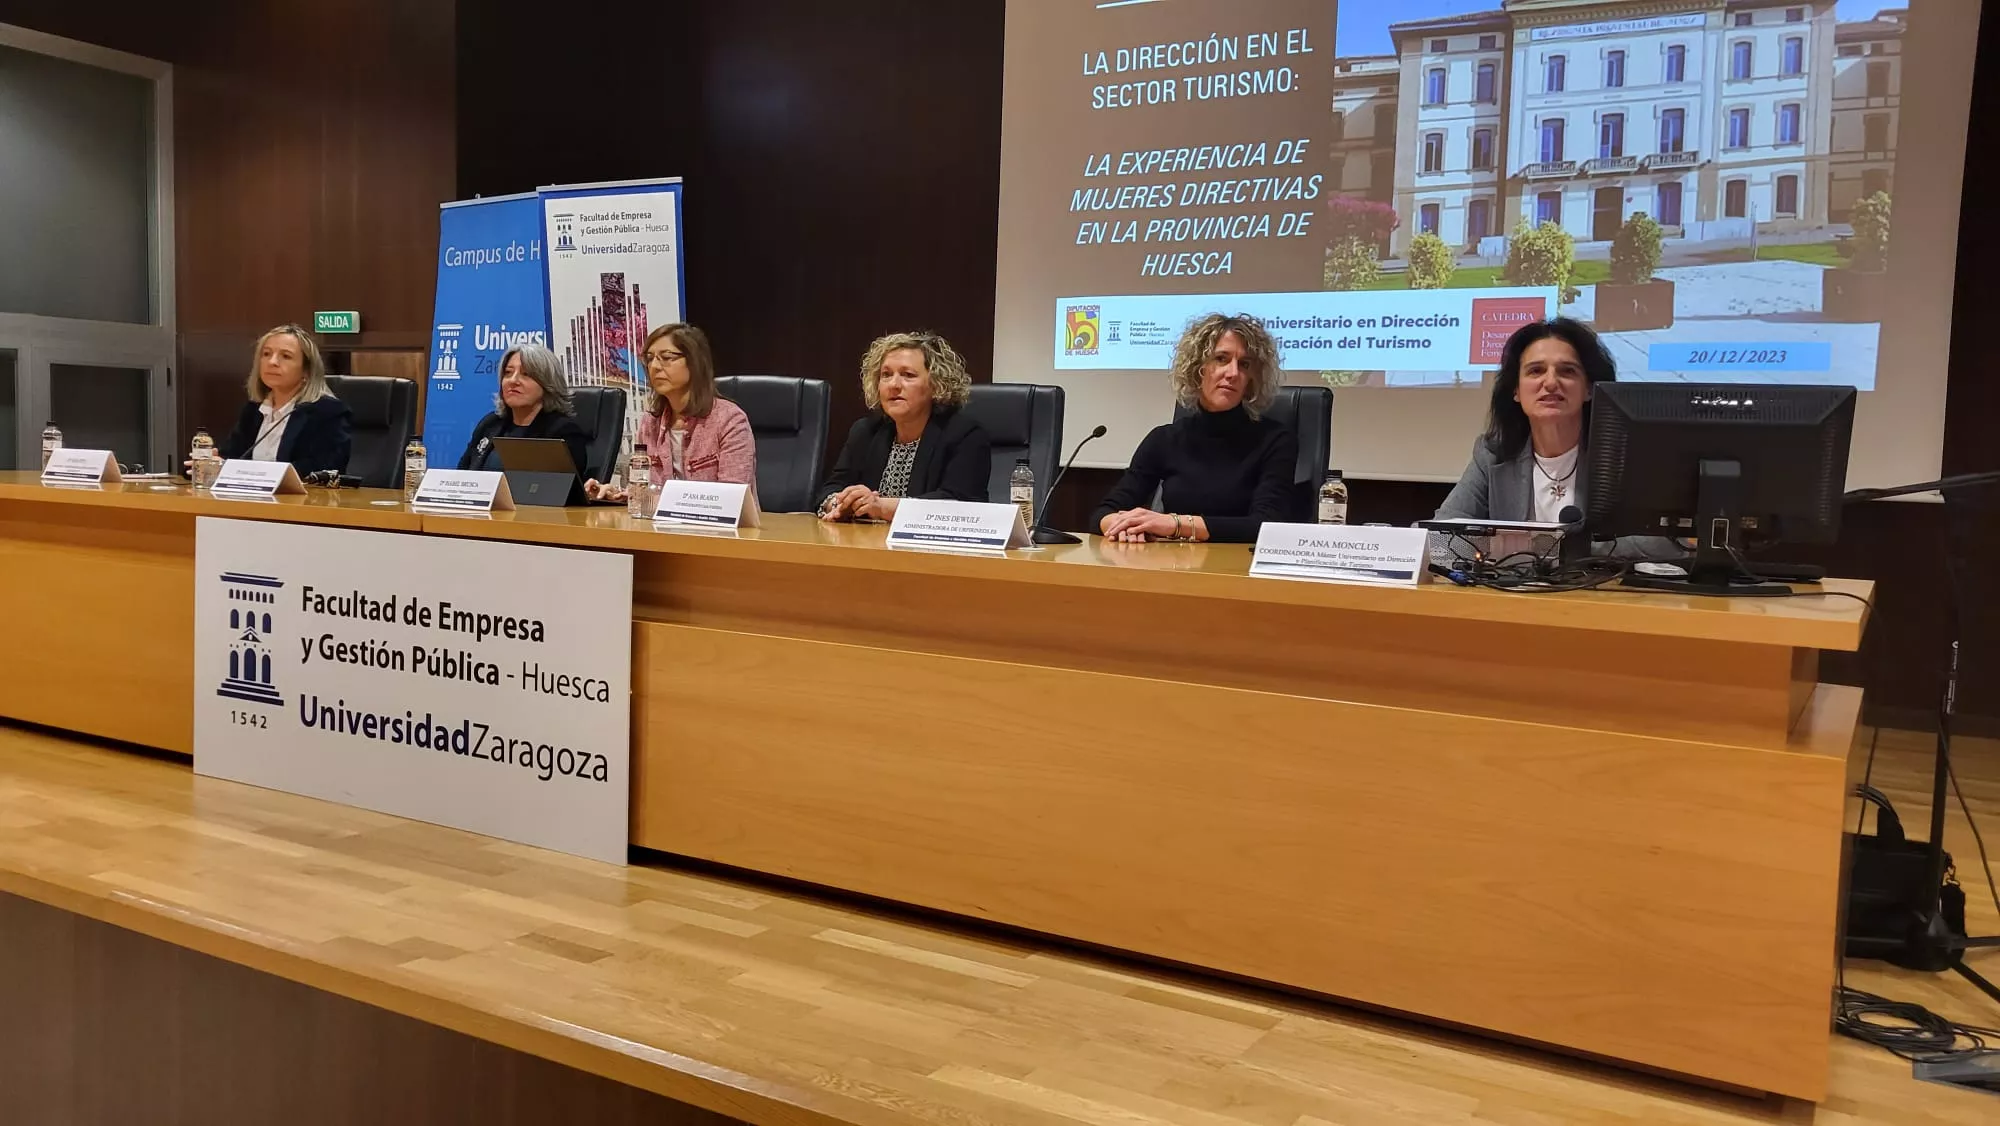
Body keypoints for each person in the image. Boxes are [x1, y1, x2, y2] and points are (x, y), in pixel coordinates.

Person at [1434, 316, 1681, 559]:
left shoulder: (1624, 457)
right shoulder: (1493, 454)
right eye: (1536, 371)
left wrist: (1558, 550)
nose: (1551, 382)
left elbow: (1667, 543)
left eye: (1567, 371)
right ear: (1516, 391)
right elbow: (1439, 538)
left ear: (1588, 389)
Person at [1090, 313, 1298, 543]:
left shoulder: (1276, 440)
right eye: (1221, 359)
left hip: (1242, 571)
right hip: (1175, 569)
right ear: (1197, 368)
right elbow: (1103, 514)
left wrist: (1174, 524)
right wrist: (1125, 526)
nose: (1233, 373)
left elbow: (1266, 525)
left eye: (1244, 364)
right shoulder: (1164, 439)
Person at [816, 331, 991, 521]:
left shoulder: (964, 434)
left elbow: (960, 505)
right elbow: (830, 488)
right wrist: (840, 504)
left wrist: (883, 507)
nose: (894, 384)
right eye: (886, 375)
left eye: (908, 375)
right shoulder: (866, 431)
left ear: (936, 384)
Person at [585, 324, 755, 502]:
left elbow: (733, 498)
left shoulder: (730, 420)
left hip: (721, 527)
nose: (655, 366)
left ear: (694, 362)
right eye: (650, 359)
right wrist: (620, 496)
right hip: (664, 527)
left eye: (666, 357)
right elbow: (646, 492)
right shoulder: (650, 422)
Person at [211, 324, 352, 475]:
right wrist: (213, 463)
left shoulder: (327, 412)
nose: (272, 362)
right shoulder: (254, 410)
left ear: (307, 370)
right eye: (266, 354)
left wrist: (260, 473)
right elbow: (231, 455)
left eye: (286, 356)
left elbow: (325, 467)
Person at [455, 343, 590, 475]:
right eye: (508, 373)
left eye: (526, 374)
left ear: (547, 384)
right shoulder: (490, 424)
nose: (513, 380)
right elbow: (463, 474)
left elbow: (559, 491)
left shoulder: (562, 432)